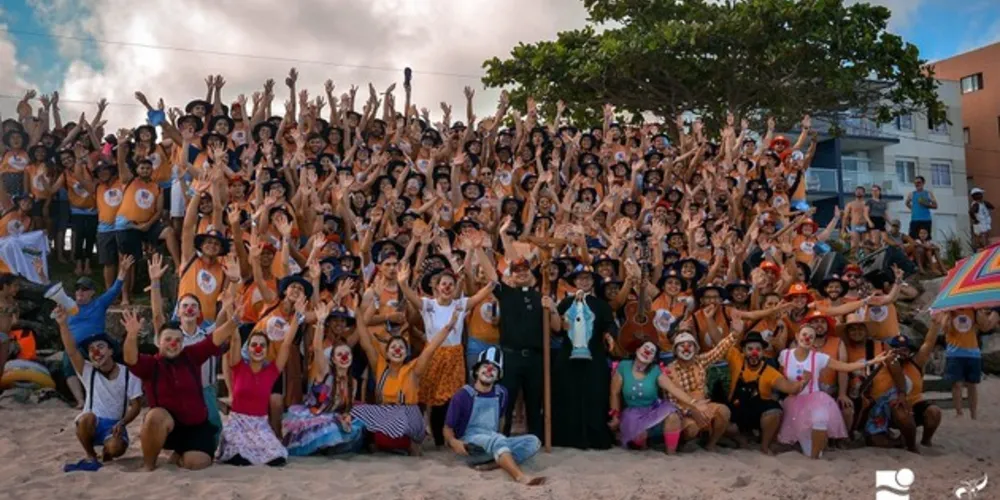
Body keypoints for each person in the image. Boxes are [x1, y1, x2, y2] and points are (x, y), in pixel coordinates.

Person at [123, 303, 234, 471]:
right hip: (168, 428)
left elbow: (214, 340)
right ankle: (148, 466)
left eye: (177, 340)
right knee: (155, 416)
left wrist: (236, 320)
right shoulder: (151, 364)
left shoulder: (190, 356)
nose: (173, 344)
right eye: (168, 339)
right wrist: (131, 335)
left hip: (196, 427)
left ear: (183, 343)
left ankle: (179, 457)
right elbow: (131, 359)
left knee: (198, 463)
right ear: (159, 342)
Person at [350, 301, 461, 455]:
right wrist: (357, 313)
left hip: (407, 417)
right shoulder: (380, 367)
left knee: (399, 421)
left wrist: (449, 326)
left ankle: (408, 445)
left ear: (405, 353)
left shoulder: (413, 370)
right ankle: (377, 442)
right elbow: (366, 342)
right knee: (356, 409)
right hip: (385, 415)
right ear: (387, 353)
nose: (397, 350)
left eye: (401, 347)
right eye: (393, 347)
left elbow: (430, 349)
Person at [777, 325, 891, 458]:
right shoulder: (784, 355)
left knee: (820, 421)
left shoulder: (819, 357)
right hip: (794, 401)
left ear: (814, 341)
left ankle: (814, 459)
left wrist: (872, 361)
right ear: (797, 336)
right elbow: (780, 377)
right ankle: (817, 443)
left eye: (811, 337)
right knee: (803, 442)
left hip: (814, 399)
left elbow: (845, 367)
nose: (807, 338)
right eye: (804, 335)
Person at [216, 294, 300, 467]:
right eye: (254, 344)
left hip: (260, 424)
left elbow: (286, 344)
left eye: (262, 345)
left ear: (267, 349)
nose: (258, 348)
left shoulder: (271, 371)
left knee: (277, 457)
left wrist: (297, 316)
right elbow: (236, 337)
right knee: (239, 456)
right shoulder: (238, 365)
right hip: (237, 422)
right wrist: (233, 312)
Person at [56, 307, 142, 472]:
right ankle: (91, 456)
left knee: (116, 448)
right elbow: (72, 351)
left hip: (115, 424)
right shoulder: (88, 371)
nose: (96, 352)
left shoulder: (127, 373)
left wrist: (122, 423)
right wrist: (63, 324)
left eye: (101, 347)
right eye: (91, 350)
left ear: (110, 351)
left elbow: (136, 405)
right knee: (84, 419)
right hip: (92, 423)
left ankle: (107, 454)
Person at [444, 347, 545, 486]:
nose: (489, 371)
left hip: (492, 440)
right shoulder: (463, 395)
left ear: (498, 375)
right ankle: (520, 476)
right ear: (477, 371)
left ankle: (493, 463)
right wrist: (454, 442)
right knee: (498, 441)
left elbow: (501, 419)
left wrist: (499, 438)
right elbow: (447, 428)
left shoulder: (501, 393)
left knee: (533, 441)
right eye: (485, 366)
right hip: (471, 445)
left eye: (494, 369)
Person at [282, 303, 364, 456]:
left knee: (354, 426)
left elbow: (346, 407)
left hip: (334, 416)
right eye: (339, 354)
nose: (344, 357)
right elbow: (318, 348)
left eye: (347, 354)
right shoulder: (325, 371)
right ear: (332, 358)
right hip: (315, 417)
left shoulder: (353, 382)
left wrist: (346, 416)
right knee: (331, 428)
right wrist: (320, 322)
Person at [551, 265, 615, 450]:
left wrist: (609, 335)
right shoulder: (565, 303)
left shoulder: (601, 305)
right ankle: (567, 436)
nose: (584, 281)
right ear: (575, 282)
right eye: (580, 278)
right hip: (569, 354)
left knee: (594, 395)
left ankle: (594, 436)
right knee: (568, 394)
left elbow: (609, 324)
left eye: (588, 278)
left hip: (594, 354)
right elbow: (556, 329)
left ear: (593, 281)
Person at [864, 313, 946, 452]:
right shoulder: (883, 362)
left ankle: (926, 441)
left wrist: (935, 325)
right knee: (900, 411)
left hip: (913, 403)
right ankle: (909, 445)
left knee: (934, 412)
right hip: (886, 407)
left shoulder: (915, 363)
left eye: (905, 349)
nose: (901, 352)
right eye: (897, 349)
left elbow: (928, 344)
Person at [61, 256, 132, 409]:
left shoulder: (99, 303)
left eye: (84, 289)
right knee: (68, 358)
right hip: (75, 346)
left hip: (97, 341)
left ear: (92, 292)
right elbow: (52, 290)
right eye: (78, 289)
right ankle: (80, 400)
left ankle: (122, 393)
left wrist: (123, 271)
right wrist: (41, 274)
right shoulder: (68, 305)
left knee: (113, 352)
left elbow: (114, 290)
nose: (80, 292)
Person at [609, 340, 703, 454]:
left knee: (673, 417)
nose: (647, 352)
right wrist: (615, 417)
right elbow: (614, 393)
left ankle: (671, 455)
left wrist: (693, 402)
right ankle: (643, 445)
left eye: (652, 351)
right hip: (633, 414)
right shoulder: (624, 366)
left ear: (653, 359)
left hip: (653, 410)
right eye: (646, 347)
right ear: (637, 350)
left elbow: (673, 389)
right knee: (639, 436)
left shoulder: (655, 371)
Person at [724, 331, 808, 455]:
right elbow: (718, 340)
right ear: (743, 350)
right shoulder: (736, 359)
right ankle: (740, 438)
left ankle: (764, 445)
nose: (754, 353)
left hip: (757, 414)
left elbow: (789, 388)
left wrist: (802, 383)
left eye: (758, 349)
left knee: (774, 411)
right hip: (737, 411)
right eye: (750, 349)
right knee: (722, 421)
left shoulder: (769, 372)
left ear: (763, 352)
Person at [943, 308, 998, 420]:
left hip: (972, 353)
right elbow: (945, 328)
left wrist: (978, 312)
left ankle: (973, 414)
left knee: (972, 385)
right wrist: (949, 314)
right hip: (954, 353)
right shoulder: (948, 310)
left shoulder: (973, 310)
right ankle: (959, 413)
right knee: (957, 384)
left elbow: (984, 326)